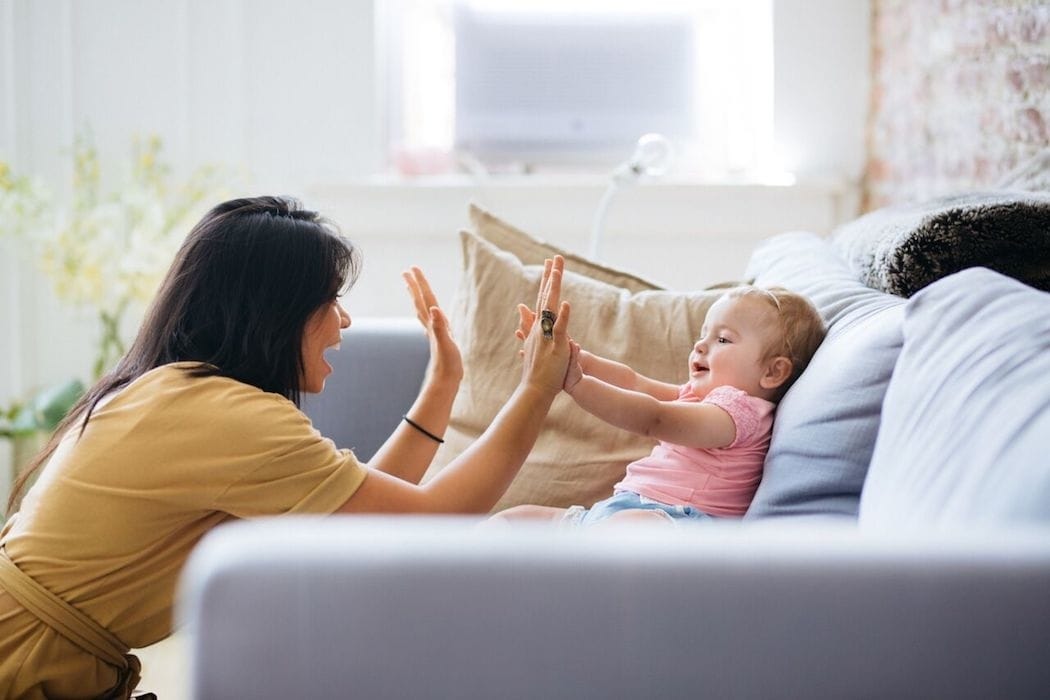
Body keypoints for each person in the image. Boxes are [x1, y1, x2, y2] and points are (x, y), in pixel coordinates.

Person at [0, 195, 572, 699]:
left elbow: (358, 515)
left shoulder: (188, 394)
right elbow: (433, 518)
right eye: (330, 299)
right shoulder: (223, 416)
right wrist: (537, 390)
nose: (344, 320)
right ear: (276, 310)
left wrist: (444, 383)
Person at [494, 285, 825, 526]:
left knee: (625, 531)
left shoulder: (739, 415)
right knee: (513, 520)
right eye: (703, 334)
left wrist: (576, 384)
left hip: (678, 524)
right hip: (623, 512)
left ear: (773, 372)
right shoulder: (700, 398)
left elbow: (655, 418)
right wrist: (575, 358)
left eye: (723, 339)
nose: (700, 345)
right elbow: (634, 382)